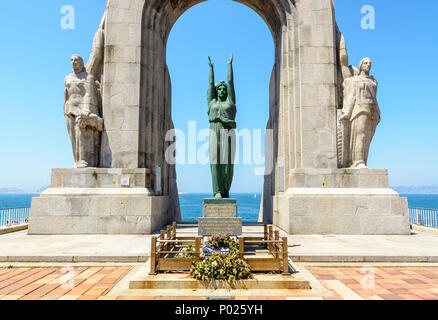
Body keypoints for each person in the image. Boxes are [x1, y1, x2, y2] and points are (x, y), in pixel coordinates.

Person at [340, 57, 381, 168]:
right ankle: (358, 161)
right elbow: (351, 96)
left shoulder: (373, 81)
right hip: (360, 109)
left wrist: (378, 111)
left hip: (372, 110)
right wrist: (347, 112)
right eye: (365, 63)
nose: (368, 65)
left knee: (368, 137)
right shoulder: (355, 80)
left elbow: (375, 98)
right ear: (361, 65)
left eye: (370, 63)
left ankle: (363, 160)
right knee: (360, 135)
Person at [207, 55, 237, 198]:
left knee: (227, 165)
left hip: (228, 133)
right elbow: (210, 83)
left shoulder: (230, 102)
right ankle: (217, 191)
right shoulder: (212, 102)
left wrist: (229, 65)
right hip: (214, 131)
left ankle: (226, 190)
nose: (222, 91)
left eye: (223, 89)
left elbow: (230, 82)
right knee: (215, 162)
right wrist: (211, 68)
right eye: (219, 89)